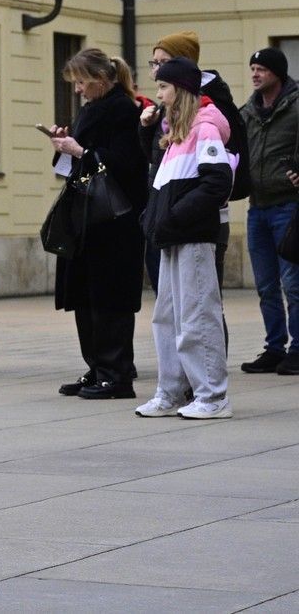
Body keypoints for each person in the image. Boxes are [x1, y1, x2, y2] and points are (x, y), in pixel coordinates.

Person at [136, 58, 234, 419]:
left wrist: (174, 217)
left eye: (163, 87)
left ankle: (212, 395)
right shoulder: (178, 133)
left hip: (191, 237)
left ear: (181, 90)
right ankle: (171, 391)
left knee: (197, 314)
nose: (158, 94)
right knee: (167, 317)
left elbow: (217, 181)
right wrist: (155, 219)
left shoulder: (205, 128)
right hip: (173, 237)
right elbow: (162, 183)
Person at [47, 50, 149, 400]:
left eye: (80, 82)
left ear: (100, 80)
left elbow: (126, 163)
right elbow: (76, 164)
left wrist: (79, 151)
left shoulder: (122, 109)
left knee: (109, 297)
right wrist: (62, 148)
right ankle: (96, 367)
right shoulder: (91, 109)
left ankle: (116, 373)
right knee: (85, 296)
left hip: (114, 221)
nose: (77, 90)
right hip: (86, 219)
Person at [139, 31, 248, 294]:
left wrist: (173, 215)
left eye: (162, 63)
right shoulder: (168, 109)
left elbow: (218, 177)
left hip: (195, 225)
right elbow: (159, 161)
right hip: (170, 221)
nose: (155, 71)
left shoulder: (209, 113)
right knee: (174, 307)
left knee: (201, 308)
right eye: (153, 63)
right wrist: (146, 129)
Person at [238, 46, 299, 375]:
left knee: (293, 283)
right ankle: (274, 348)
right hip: (257, 207)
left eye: (261, 68)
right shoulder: (247, 111)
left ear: (278, 72)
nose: (255, 74)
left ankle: (298, 348)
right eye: (253, 68)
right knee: (265, 285)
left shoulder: (296, 105)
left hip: (289, 206)